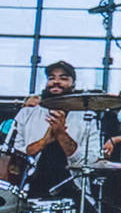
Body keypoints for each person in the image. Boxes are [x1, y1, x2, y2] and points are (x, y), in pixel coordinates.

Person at [12, 60, 107, 197]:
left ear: (73, 84)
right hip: (28, 188)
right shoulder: (27, 113)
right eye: (51, 78)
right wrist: (44, 141)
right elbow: (14, 156)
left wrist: (61, 134)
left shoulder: (87, 118)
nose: (56, 82)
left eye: (63, 78)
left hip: (73, 189)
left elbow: (90, 160)